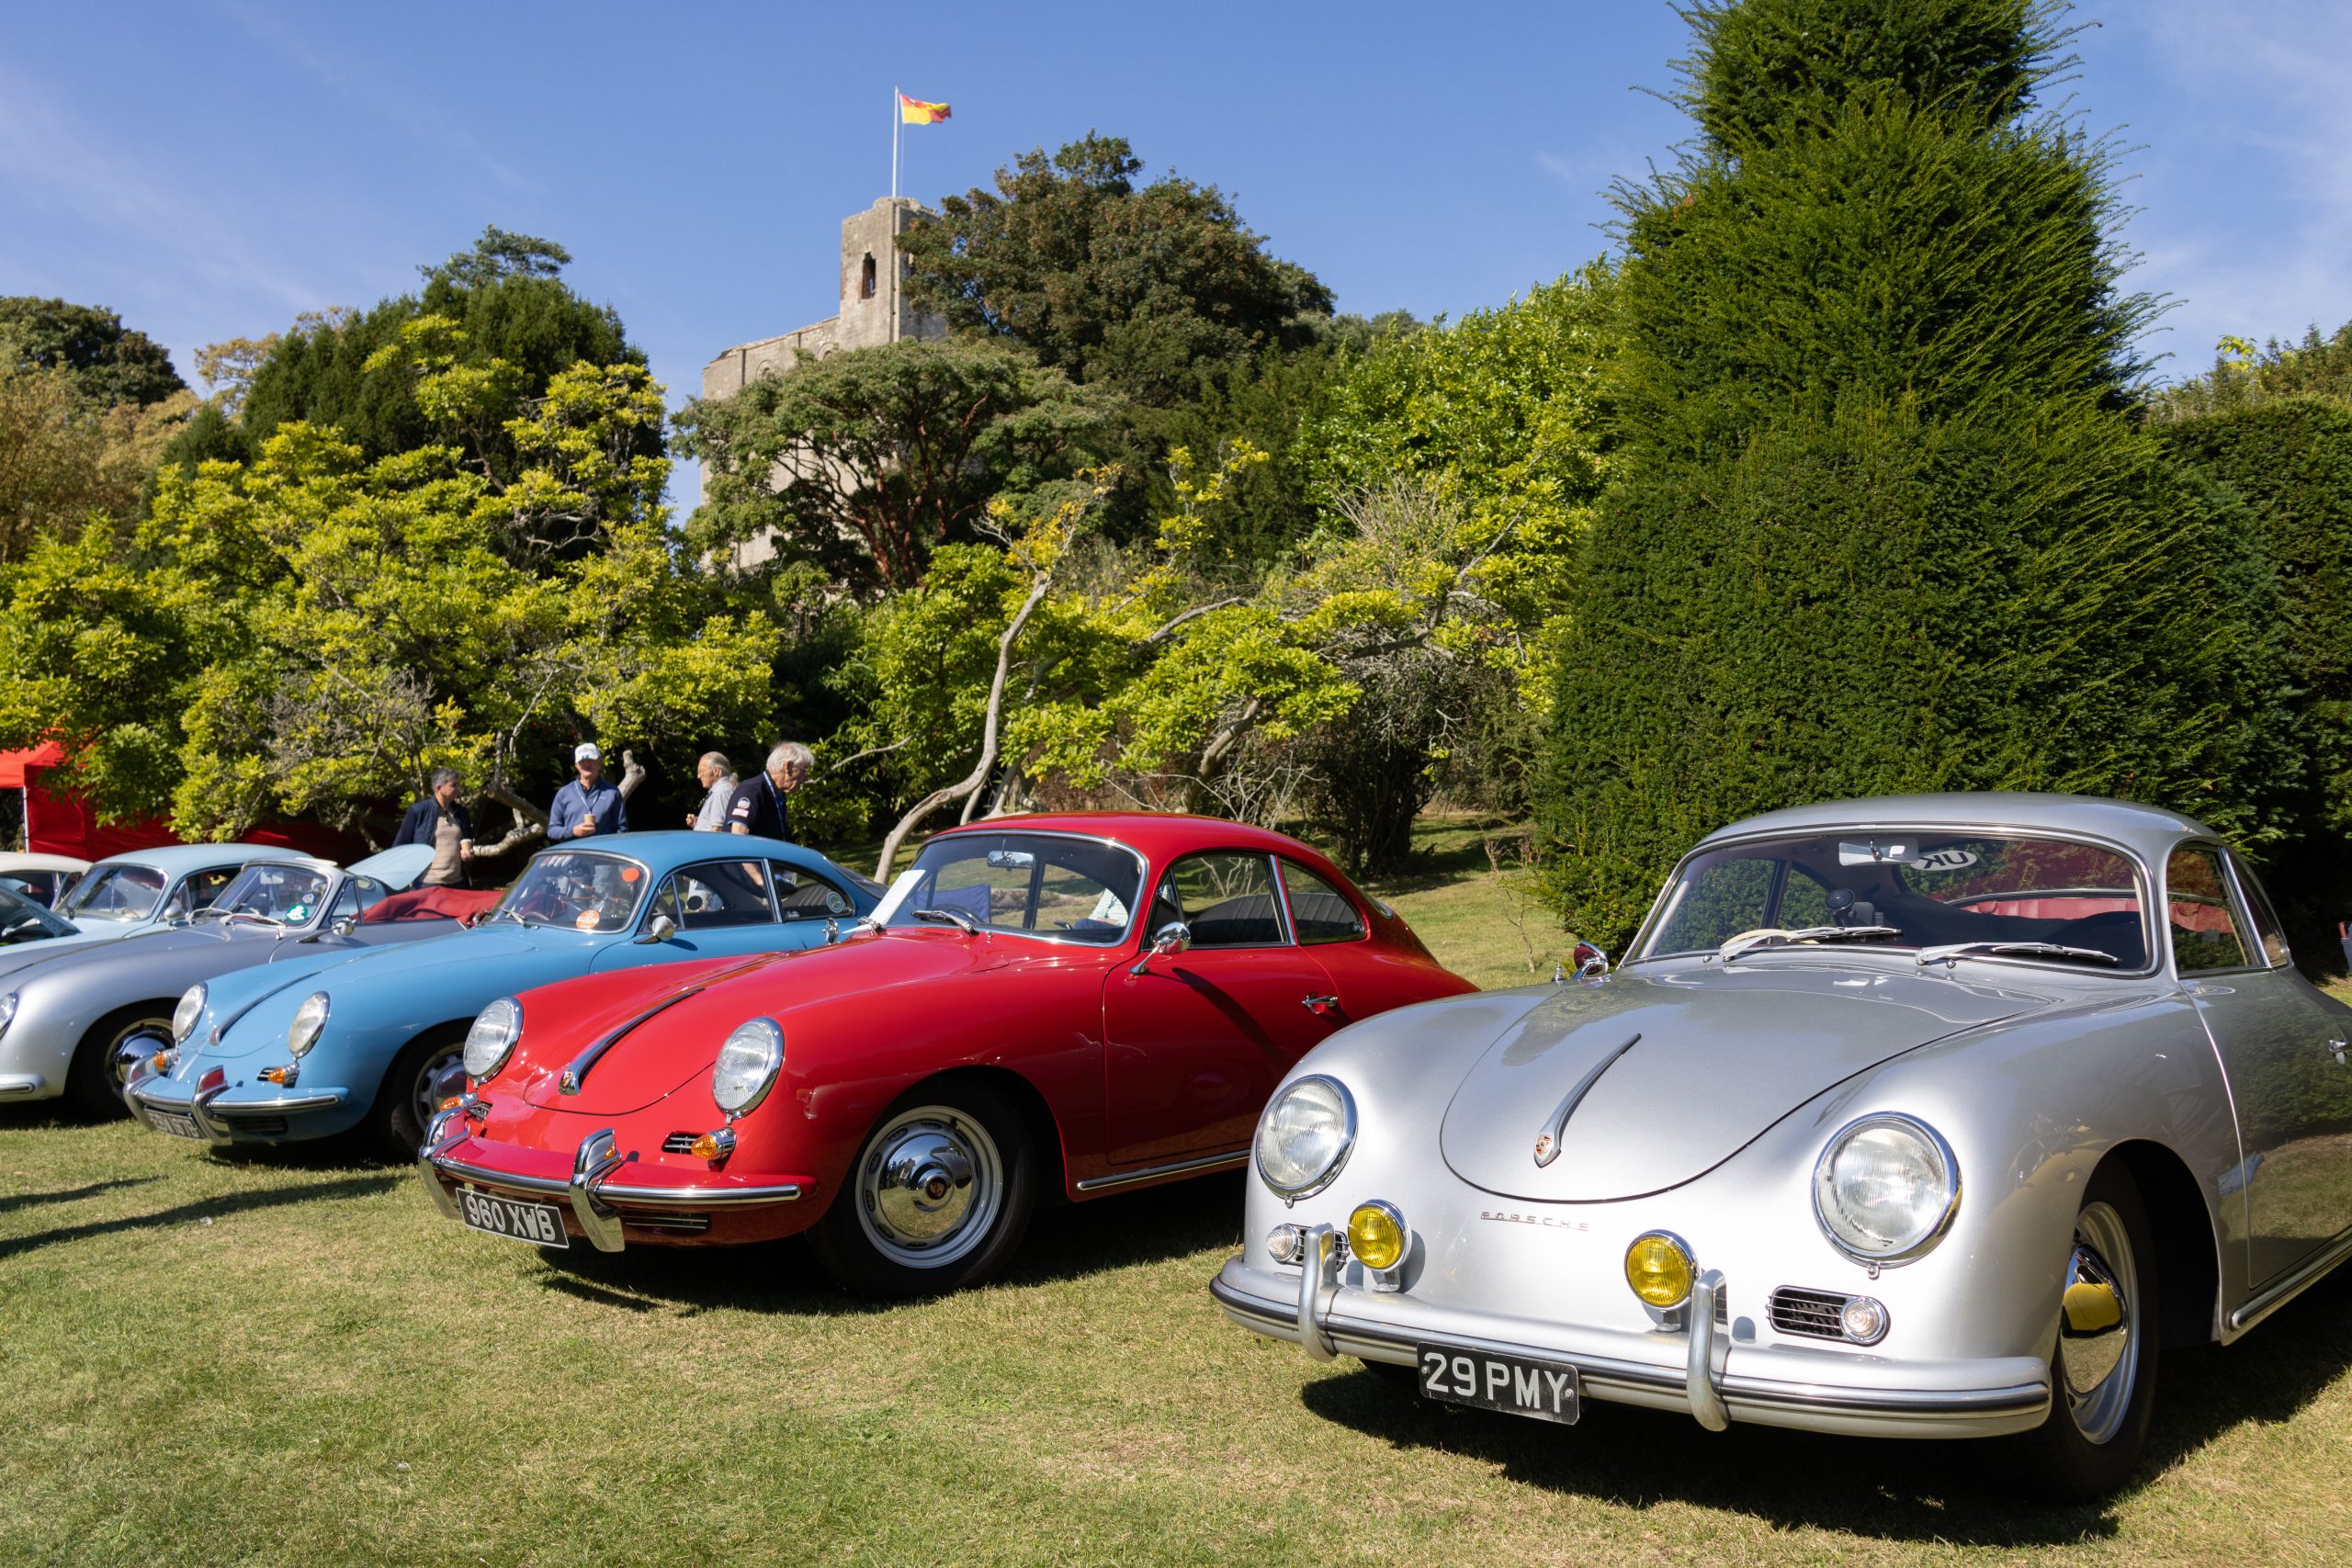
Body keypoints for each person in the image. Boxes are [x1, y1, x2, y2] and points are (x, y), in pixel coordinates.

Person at [392, 768, 475, 887]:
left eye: (459, 785)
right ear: (438, 788)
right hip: (427, 883)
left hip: (457, 883)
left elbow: (466, 841)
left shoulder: (462, 813)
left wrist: (467, 854)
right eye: (454, 785)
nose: (459, 789)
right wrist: (407, 876)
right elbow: (399, 847)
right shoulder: (418, 811)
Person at [728, 742, 812, 841]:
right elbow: (738, 837)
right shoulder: (751, 790)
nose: (806, 778)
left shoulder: (777, 794)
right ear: (788, 766)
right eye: (804, 771)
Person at [548, 742, 628, 840]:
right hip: (573, 850)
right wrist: (572, 831)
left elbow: (622, 829)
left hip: (602, 849)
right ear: (577, 765)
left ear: (600, 763)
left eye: (590, 760)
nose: (586, 764)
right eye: (582, 761)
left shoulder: (612, 792)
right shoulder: (564, 793)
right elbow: (552, 831)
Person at [687, 752, 738, 830]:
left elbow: (718, 830)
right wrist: (699, 823)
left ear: (716, 771)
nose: (698, 776)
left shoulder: (720, 793)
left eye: (701, 772)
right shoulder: (724, 790)